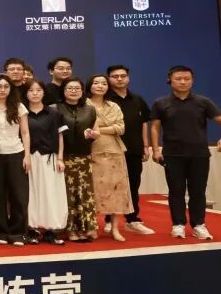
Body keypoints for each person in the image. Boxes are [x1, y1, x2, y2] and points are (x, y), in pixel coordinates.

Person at [151, 65, 221, 240]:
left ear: (192, 81)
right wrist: (155, 150)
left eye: (187, 79)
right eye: (178, 79)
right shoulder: (161, 103)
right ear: (170, 80)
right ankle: (178, 225)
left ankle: (199, 225)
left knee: (198, 191)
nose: (183, 82)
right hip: (172, 154)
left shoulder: (203, 102)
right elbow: (155, 128)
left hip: (199, 154)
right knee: (176, 191)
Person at [105, 65, 155, 235]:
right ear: (108, 78)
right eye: (115, 76)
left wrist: (145, 146)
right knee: (111, 185)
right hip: (111, 149)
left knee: (133, 184)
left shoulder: (137, 99)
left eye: (123, 75)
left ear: (128, 77)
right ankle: (109, 220)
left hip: (134, 149)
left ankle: (132, 219)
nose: (120, 79)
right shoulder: (105, 99)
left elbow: (144, 123)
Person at [87, 74, 134, 242]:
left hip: (115, 151)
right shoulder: (85, 104)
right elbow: (83, 126)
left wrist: (98, 129)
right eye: (96, 83)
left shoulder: (113, 105)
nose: (100, 86)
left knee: (116, 191)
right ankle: (92, 226)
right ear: (90, 85)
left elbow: (121, 128)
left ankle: (115, 228)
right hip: (92, 150)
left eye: (104, 83)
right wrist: (109, 127)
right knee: (93, 191)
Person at [0, 74, 31, 246]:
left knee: (19, 195)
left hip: (16, 152)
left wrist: (27, 155)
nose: (2, 90)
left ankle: (18, 232)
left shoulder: (19, 107)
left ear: (11, 89)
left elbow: (25, 133)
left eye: (6, 86)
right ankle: (1, 231)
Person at [24, 80, 68, 245]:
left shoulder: (54, 113)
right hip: (29, 158)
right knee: (31, 194)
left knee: (51, 193)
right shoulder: (21, 113)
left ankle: (51, 231)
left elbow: (60, 136)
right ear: (26, 93)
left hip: (50, 158)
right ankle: (32, 229)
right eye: (31, 90)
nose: (35, 93)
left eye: (38, 90)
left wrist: (60, 158)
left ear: (44, 92)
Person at [56, 77, 99, 243]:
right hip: (64, 157)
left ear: (82, 91)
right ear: (64, 91)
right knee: (68, 193)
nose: (73, 91)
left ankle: (87, 227)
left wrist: (93, 134)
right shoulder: (55, 108)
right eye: (70, 88)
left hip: (84, 156)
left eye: (77, 88)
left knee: (85, 193)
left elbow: (96, 132)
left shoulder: (90, 109)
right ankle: (70, 229)